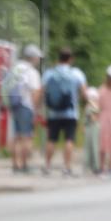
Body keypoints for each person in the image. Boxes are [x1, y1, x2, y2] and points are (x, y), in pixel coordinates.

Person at [41, 47, 88, 176]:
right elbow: (85, 93)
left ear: (59, 58)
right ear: (71, 59)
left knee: (51, 139)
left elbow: (42, 91)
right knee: (69, 139)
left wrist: (38, 107)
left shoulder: (49, 73)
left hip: (53, 112)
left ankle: (47, 166)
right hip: (71, 113)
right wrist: (87, 104)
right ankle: (67, 167)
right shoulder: (77, 73)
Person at [1, 43, 42, 173]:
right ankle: (24, 165)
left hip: (14, 105)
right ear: (33, 57)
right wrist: (35, 110)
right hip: (26, 106)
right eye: (38, 57)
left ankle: (15, 165)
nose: (38, 60)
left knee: (16, 136)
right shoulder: (32, 72)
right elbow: (35, 92)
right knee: (26, 137)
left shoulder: (15, 68)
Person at [98, 65, 111, 174]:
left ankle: (104, 167)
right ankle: (106, 167)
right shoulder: (102, 90)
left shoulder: (101, 89)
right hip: (105, 117)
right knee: (104, 143)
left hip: (103, 118)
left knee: (103, 143)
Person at [83, 87, 101, 175]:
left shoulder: (90, 106)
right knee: (91, 147)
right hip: (91, 127)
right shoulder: (91, 106)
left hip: (91, 127)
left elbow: (94, 116)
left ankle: (94, 166)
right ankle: (93, 166)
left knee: (92, 147)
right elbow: (94, 117)